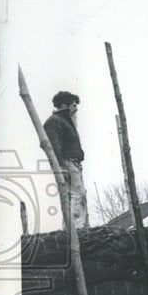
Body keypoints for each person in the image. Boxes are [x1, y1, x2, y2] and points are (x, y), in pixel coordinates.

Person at [43, 91, 88, 229]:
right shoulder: (54, 122)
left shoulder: (66, 122)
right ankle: (77, 230)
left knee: (74, 196)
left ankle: (71, 230)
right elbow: (54, 147)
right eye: (73, 105)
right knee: (77, 195)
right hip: (67, 163)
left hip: (74, 163)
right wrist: (60, 167)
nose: (76, 109)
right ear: (63, 105)